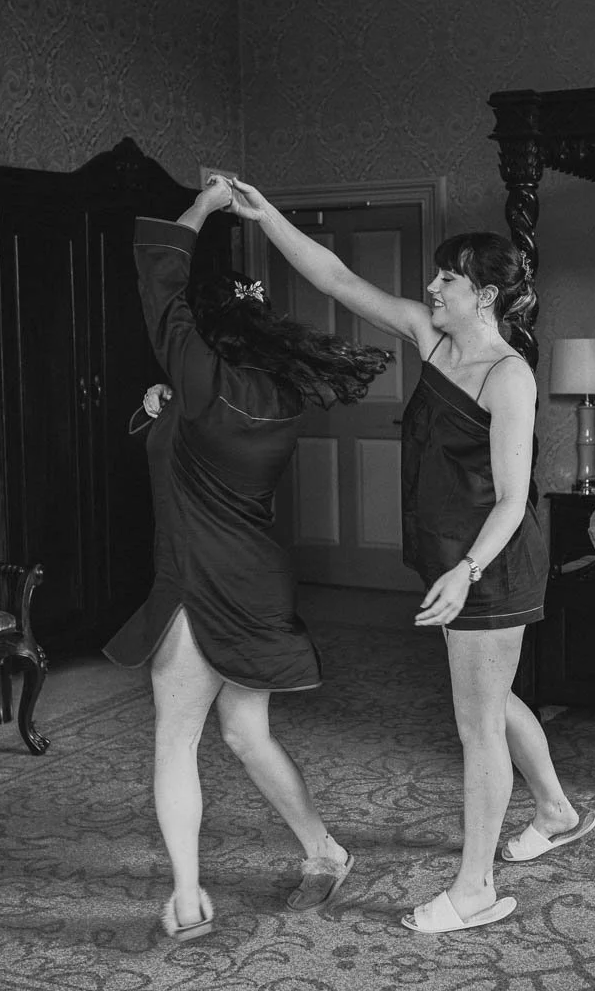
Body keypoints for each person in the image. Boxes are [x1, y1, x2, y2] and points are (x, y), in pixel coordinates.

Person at [227, 178, 595, 934]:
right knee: (490, 702)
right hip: (448, 557)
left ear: (486, 296)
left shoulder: (509, 377)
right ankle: (555, 810)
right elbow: (337, 279)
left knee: (476, 724)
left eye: (448, 278)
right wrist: (267, 219)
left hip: (489, 563)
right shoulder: (431, 340)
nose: (431, 286)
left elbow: (510, 499)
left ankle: (474, 890)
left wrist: (466, 573)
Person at [103, 177, 392, 941]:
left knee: (179, 735)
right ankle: (324, 851)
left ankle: (190, 898)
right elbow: (182, 444)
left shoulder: (200, 385)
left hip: (200, 577)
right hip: (257, 574)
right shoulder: (272, 396)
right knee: (242, 733)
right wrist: (157, 407)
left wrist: (198, 210)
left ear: (209, 338)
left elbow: (162, 290)